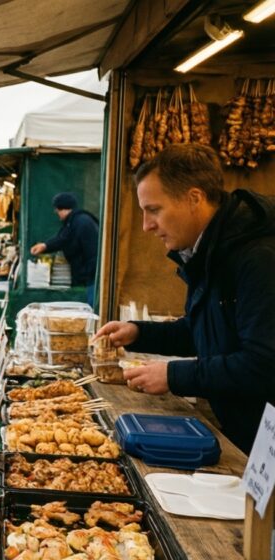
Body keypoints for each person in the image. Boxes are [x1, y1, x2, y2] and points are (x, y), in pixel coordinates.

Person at [94, 143, 275, 454]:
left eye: (154, 210)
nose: (146, 225)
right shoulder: (211, 250)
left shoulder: (258, 258)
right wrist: (139, 333)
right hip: (243, 434)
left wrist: (174, 375)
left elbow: (263, 364)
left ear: (194, 198)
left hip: (264, 444)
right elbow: (204, 331)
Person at [30, 191, 100, 295]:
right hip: (89, 276)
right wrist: (45, 246)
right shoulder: (77, 220)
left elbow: (64, 239)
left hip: (90, 278)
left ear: (61, 208)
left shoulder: (79, 222)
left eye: (57, 210)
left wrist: (45, 246)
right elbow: (62, 238)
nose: (56, 213)